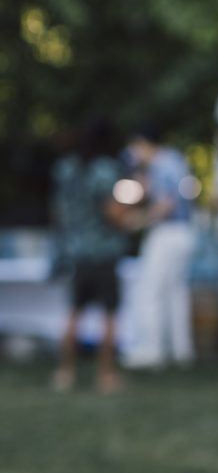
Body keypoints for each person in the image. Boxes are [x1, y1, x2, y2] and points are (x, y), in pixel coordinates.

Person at [52, 116, 129, 393]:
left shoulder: (65, 168)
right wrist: (129, 216)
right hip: (103, 252)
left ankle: (65, 373)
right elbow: (113, 214)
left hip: (76, 250)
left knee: (74, 313)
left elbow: (59, 210)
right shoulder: (104, 170)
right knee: (109, 315)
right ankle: (106, 375)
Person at [123, 124, 196, 369]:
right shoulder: (175, 160)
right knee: (176, 292)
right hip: (184, 233)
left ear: (144, 143)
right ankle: (181, 350)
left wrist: (140, 220)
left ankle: (151, 350)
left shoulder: (161, 165)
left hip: (167, 233)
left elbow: (166, 204)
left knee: (150, 291)